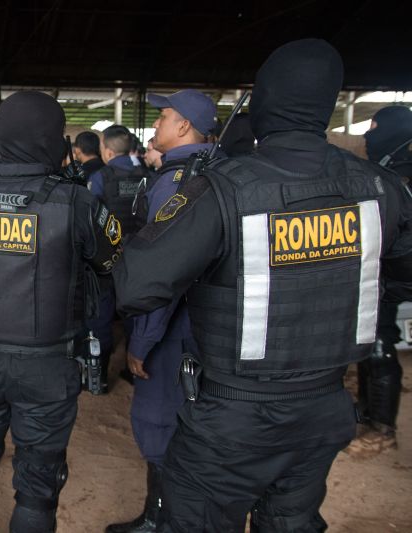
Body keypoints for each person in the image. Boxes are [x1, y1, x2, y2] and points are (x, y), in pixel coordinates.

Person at [112, 39, 412, 532]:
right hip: (323, 409)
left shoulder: (223, 186)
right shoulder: (379, 186)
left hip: (232, 415)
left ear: (265, 101)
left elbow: (137, 286)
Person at [0, 91, 123, 533]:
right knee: (38, 484)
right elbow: (112, 259)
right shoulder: (77, 202)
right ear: (54, 140)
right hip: (48, 365)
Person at [106, 89, 217, 533]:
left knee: (159, 421)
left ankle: (159, 521)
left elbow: (164, 277)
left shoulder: (177, 183)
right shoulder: (214, 170)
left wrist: (142, 342)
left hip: (176, 329)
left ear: (185, 125)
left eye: (164, 116)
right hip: (210, 325)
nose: (156, 126)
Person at [349, 105, 412, 456]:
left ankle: (382, 428)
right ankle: (366, 413)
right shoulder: (385, 171)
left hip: (390, 276)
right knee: (367, 341)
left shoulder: (402, 176)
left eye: (373, 128)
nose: (367, 135)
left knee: (381, 344)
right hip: (375, 275)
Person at [85, 124, 147, 391]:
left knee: (101, 316)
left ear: (107, 151)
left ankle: (97, 378)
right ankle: (136, 368)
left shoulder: (102, 177)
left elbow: (90, 219)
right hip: (142, 256)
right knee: (137, 314)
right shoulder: (148, 176)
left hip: (109, 258)